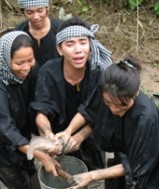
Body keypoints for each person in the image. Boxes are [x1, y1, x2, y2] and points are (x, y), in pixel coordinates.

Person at [67, 57, 159, 189]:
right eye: (108, 103)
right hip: (122, 154)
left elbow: (134, 167)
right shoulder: (105, 89)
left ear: (136, 93)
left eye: (122, 105)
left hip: (144, 165)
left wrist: (92, 175)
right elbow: (90, 112)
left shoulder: (146, 118)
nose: (113, 109)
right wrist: (70, 132)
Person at [0, 30, 59, 189]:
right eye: (19, 63)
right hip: (0, 146)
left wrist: (46, 135)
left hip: (23, 136)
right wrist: (41, 155)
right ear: (6, 60)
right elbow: (6, 130)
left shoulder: (32, 69)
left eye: (30, 60)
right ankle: (10, 186)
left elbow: (38, 100)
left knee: (30, 171)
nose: (26, 67)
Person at [30, 16, 112, 171]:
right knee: (58, 170)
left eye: (83, 42)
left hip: (89, 133)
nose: (78, 50)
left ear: (90, 46)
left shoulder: (98, 73)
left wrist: (79, 137)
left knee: (93, 173)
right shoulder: (48, 71)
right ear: (60, 49)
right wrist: (48, 134)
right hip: (58, 135)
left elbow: (99, 114)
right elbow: (41, 111)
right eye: (70, 44)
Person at [14, 0, 62, 67]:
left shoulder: (61, 29)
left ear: (47, 8)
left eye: (40, 11)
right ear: (23, 12)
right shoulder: (19, 32)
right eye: (30, 13)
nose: (36, 17)